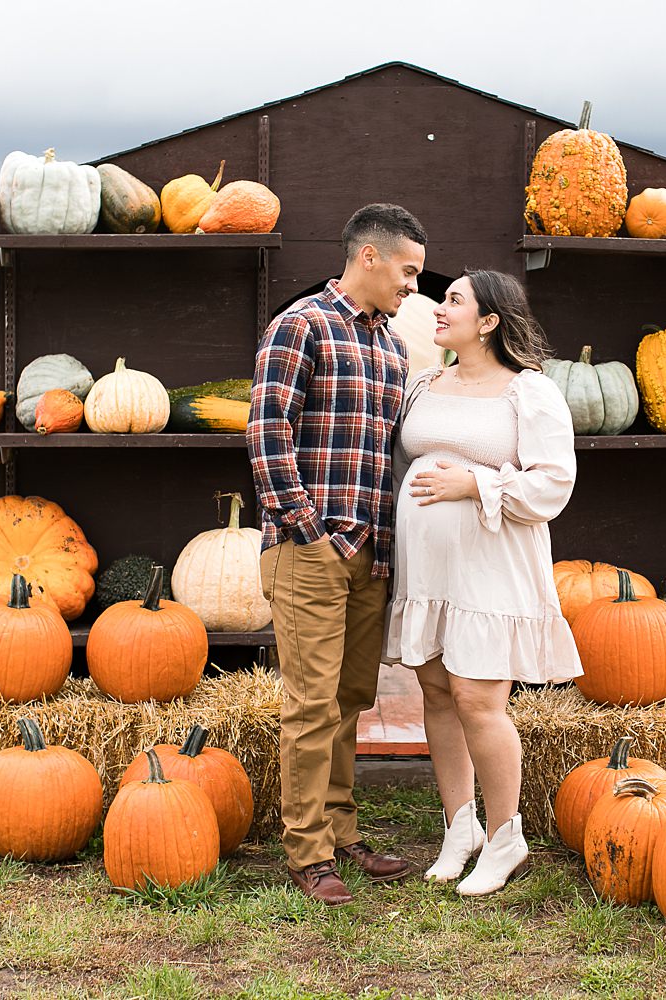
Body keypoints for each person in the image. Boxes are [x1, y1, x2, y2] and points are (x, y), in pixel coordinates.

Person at [248, 203, 427, 906]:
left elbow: (386, 459)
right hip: (309, 550)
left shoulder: (394, 350)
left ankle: (342, 830)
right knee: (312, 704)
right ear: (371, 258)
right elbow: (267, 435)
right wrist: (307, 532)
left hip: (369, 555)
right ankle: (306, 851)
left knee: (352, 700)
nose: (415, 284)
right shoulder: (301, 326)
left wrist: (380, 550)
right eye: (408, 270)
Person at [383, 270, 580, 896]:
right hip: (430, 569)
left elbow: (554, 482)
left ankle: (505, 837)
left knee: (478, 699)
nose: (438, 308)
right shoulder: (424, 384)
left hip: (492, 568)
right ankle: (459, 827)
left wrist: (474, 485)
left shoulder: (530, 392)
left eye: (453, 301)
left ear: (489, 321)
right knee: (436, 692)